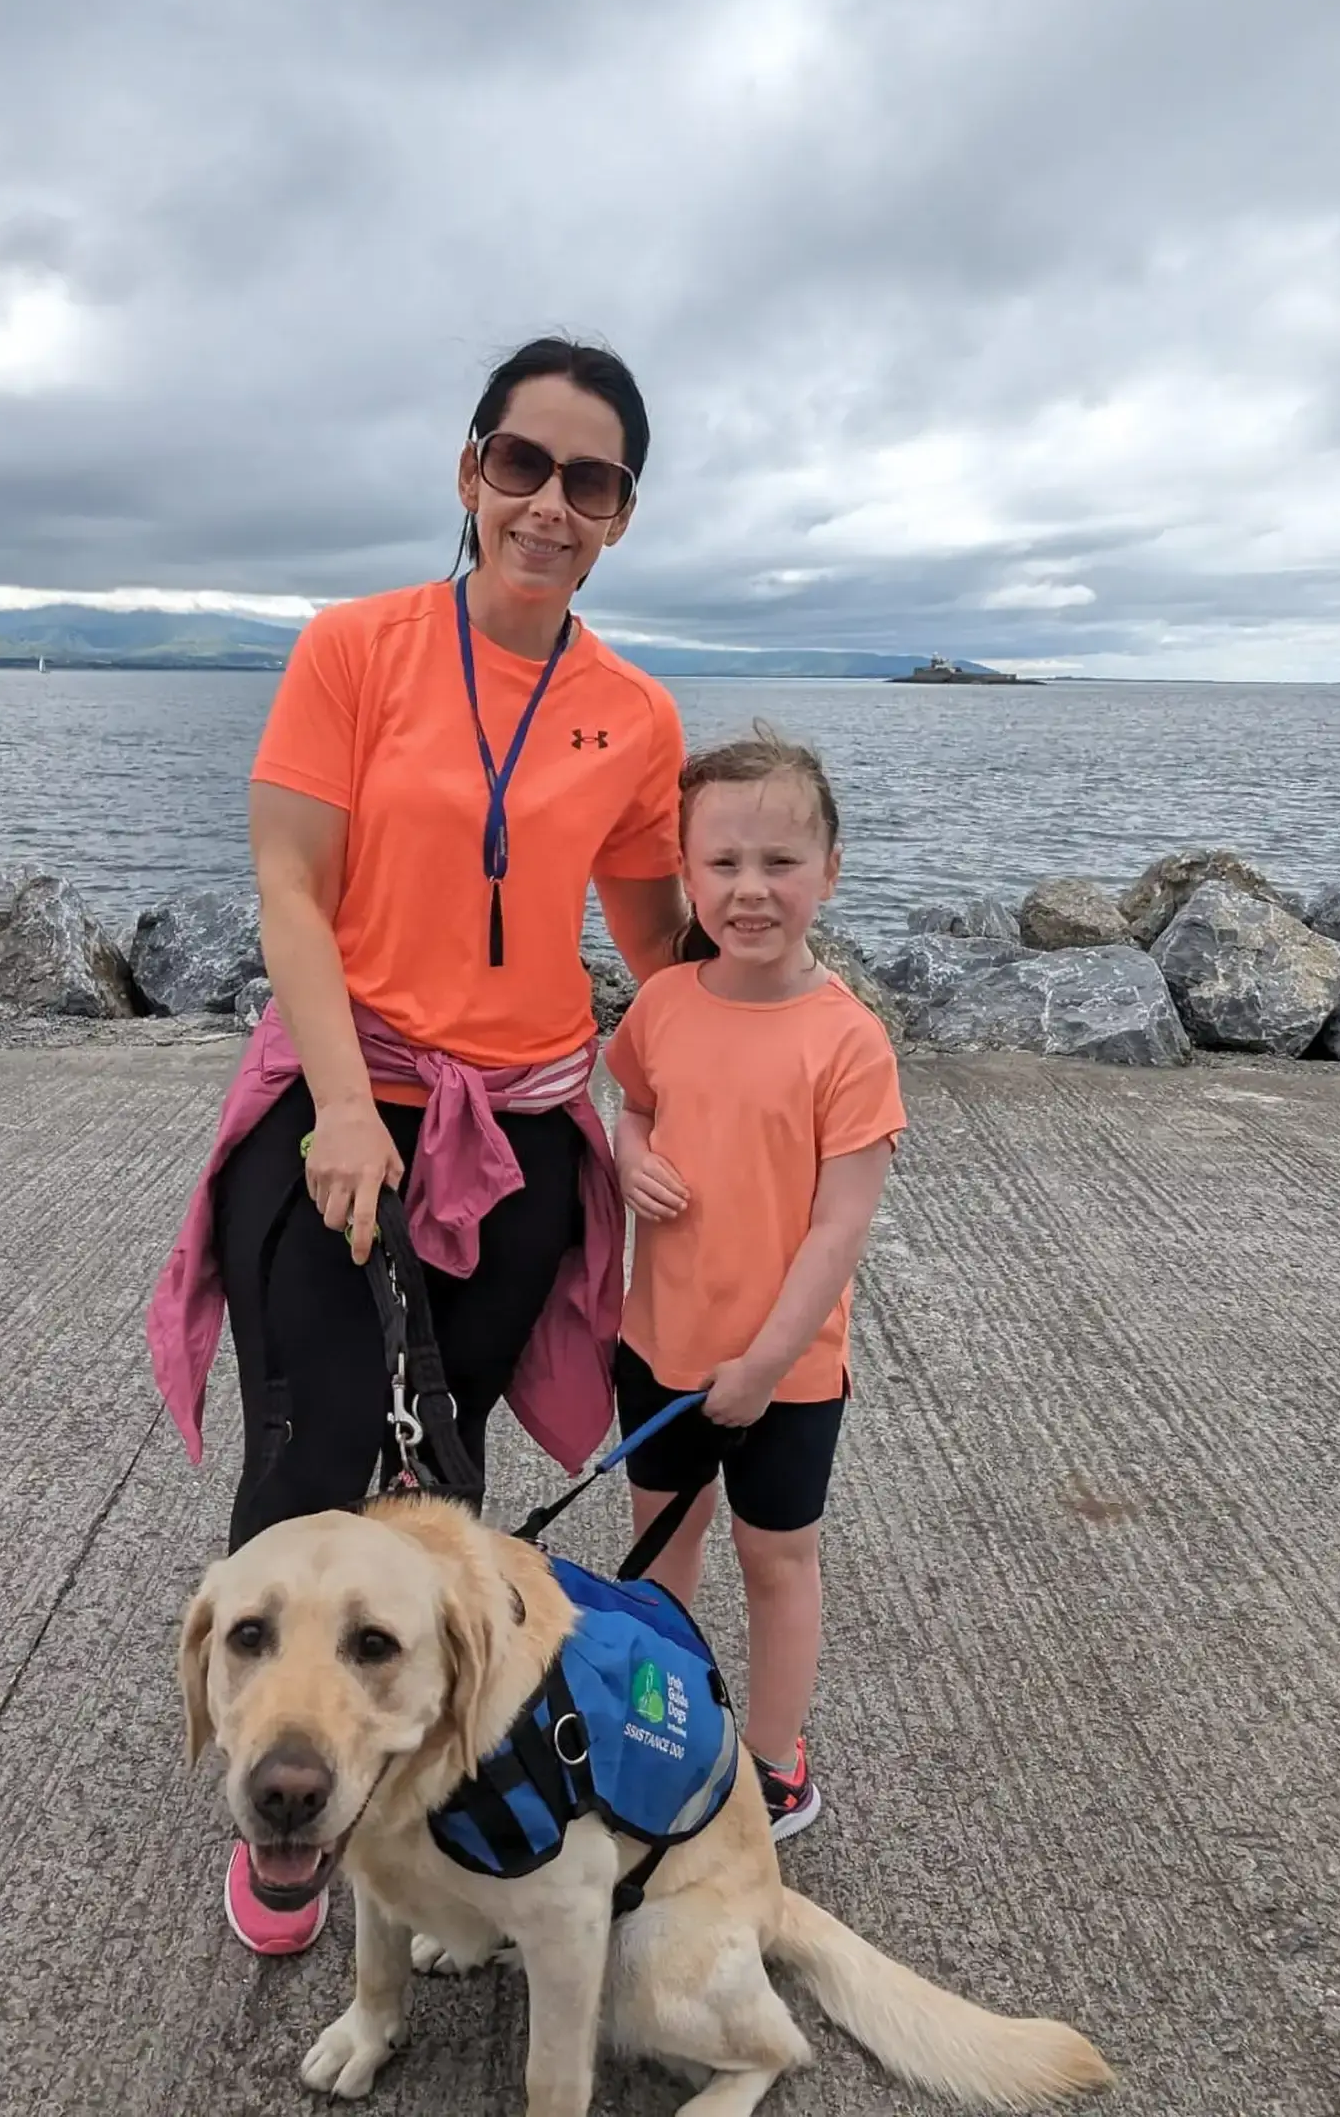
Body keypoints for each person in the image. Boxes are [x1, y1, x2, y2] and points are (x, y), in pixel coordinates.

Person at [146, 336, 692, 1954]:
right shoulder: (358, 648)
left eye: (585, 482)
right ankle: (276, 1787)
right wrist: (333, 1107)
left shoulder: (635, 715)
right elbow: (291, 889)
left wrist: (773, 1057)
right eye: (520, 464)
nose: (546, 502)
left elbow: (657, 942)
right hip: (348, 1089)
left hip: (519, 1129)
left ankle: (404, 1769)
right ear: (469, 472)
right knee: (315, 1461)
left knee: (439, 1482)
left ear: (620, 515)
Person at [605, 727, 906, 1842]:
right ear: (683, 871)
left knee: (776, 1557)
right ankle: (666, 1738)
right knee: (657, 1563)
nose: (749, 889)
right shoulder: (664, 1003)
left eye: (780, 862)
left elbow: (839, 1226)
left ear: (829, 870)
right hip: (660, 1352)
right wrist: (627, 1152)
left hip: (784, 1374)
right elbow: (631, 1101)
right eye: (722, 861)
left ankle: (775, 1759)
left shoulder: (848, 1041)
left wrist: (766, 1363)